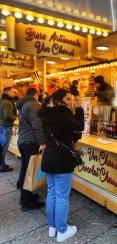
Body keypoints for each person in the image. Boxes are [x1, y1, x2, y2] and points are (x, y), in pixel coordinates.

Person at [38, 89, 84, 242]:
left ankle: (52, 228)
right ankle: (62, 231)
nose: (70, 100)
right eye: (68, 98)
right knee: (62, 197)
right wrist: (79, 108)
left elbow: (60, 133)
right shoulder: (63, 113)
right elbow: (80, 126)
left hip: (49, 157)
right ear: (60, 99)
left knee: (52, 193)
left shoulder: (46, 113)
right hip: (62, 159)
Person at [16, 87, 46, 211]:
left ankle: (28, 196)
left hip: (23, 141)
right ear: (36, 94)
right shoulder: (33, 105)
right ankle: (26, 202)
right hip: (30, 142)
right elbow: (37, 126)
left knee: (26, 170)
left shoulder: (23, 105)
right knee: (29, 172)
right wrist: (42, 142)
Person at [0, 87, 17, 172]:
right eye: (13, 91)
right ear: (8, 92)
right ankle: (2, 166)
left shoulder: (1, 100)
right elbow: (8, 116)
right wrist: (16, 117)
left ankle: (1, 164)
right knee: (3, 147)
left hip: (1, 126)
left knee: (1, 147)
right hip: (5, 127)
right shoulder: (7, 102)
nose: (14, 93)